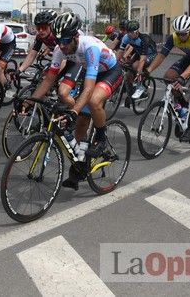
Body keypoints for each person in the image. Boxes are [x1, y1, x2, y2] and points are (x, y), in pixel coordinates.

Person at [28, 12, 123, 190]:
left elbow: (88, 88)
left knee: (94, 100)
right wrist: (30, 101)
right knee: (80, 126)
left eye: (65, 41)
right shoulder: (59, 49)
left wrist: (73, 111)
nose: (62, 46)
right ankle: (80, 167)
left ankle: (101, 137)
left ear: (75, 37)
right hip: (92, 74)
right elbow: (48, 80)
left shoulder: (90, 47)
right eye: (58, 41)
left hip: (110, 72)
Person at [146, 14, 190, 142]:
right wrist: (148, 70)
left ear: (189, 31)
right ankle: (184, 106)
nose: (181, 37)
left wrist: (182, 77)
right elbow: (161, 56)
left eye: (183, 34)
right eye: (178, 33)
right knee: (168, 77)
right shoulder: (173, 37)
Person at [117, 20, 157, 99]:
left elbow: (142, 59)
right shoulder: (126, 37)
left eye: (131, 32)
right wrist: (116, 62)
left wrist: (139, 72)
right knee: (127, 67)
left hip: (150, 55)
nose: (129, 34)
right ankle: (132, 88)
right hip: (139, 53)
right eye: (128, 32)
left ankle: (140, 86)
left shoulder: (144, 39)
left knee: (136, 66)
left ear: (137, 31)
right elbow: (120, 51)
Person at [17, 9, 58, 74]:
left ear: (51, 26)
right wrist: (19, 70)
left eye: (44, 27)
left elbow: (63, 59)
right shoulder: (39, 37)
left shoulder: (57, 36)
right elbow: (32, 55)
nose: (41, 31)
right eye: (38, 28)